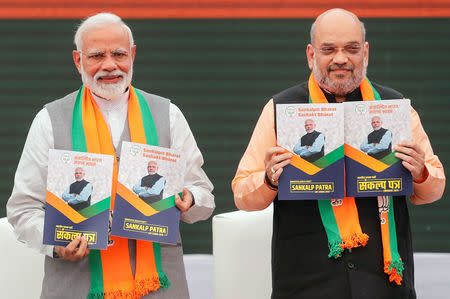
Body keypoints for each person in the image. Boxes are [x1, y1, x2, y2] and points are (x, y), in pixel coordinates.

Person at [232, 8, 445, 298]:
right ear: (311, 55)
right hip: (305, 283)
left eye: (352, 49)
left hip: (385, 282)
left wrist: (420, 172)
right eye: (329, 49)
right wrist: (269, 180)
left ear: (365, 53)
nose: (341, 59)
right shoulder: (280, 110)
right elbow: (242, 194)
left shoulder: (396, 108)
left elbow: (434, 188)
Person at [7, 13, 215, 299]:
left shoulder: (168, 114)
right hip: (78, 286)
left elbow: (204, 196)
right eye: (96, 56)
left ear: (132, 55)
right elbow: (22, 209)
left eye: (118, 54)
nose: (109, 65)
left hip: (158, 286)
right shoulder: (49, 120)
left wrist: (190, 199)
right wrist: (58, 244)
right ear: (78, 61)